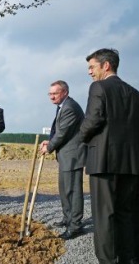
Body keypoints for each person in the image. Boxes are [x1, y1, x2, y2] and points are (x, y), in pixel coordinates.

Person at [79, 48, 139, 264]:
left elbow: (93, 120)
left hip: (104, 162)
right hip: (132, 164)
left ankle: (108, 260)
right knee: (127, 213)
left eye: (92, 67)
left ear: (106, 66)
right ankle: (130, 257)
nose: (89, 72)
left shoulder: (99, 87)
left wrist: (80, 137)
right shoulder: (136, 94)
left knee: (104, 216)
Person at [39, 80, 87, 240]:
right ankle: (68, 219)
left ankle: (75, 226)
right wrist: (49, 140)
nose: (51, 97)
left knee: (73, 191)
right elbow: (58, 130)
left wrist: (49, 147)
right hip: (66, 155)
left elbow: (63, 133)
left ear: (65, 92)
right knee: (64, 190)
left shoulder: (70, 108)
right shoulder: (62, 107)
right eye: (50, 94)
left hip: (73, 156)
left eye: (55, 93)